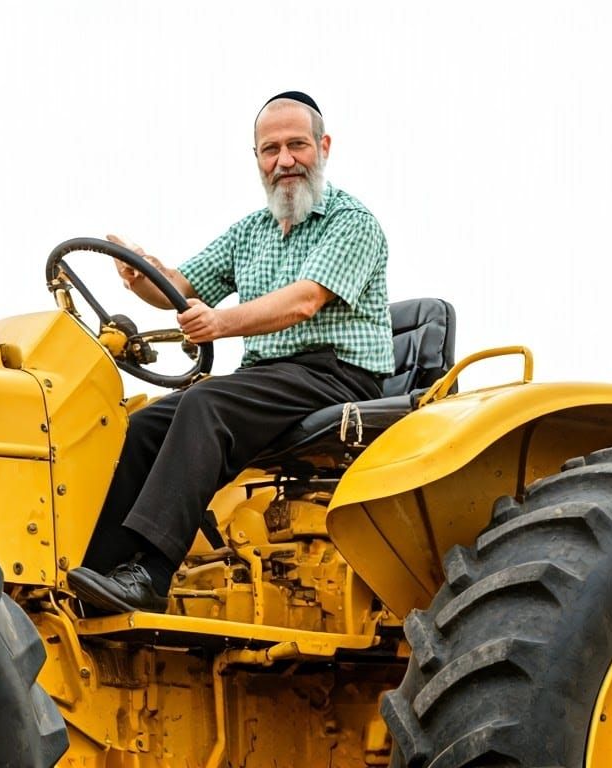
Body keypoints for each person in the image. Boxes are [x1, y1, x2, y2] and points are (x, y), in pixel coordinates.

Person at [67, 91, 394, 614]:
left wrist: (220, 322)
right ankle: (93, 571)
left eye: (296, 146)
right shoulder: (251, 231)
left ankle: (150, 574)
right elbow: (180, 285)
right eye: (271, 150)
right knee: (146, 424)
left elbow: (304, 301)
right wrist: (140, 276)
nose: (284, 161)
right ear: (258, 159)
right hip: (270, 376)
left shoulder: (351, 223)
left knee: (206, 405)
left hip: (337, 374)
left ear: (323, 147)